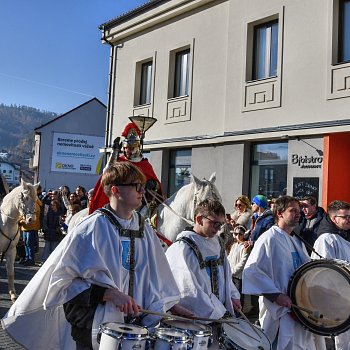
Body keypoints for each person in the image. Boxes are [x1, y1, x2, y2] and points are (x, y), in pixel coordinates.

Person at [2, 162, 188, 350]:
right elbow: (62, 285)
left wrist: (171, 305)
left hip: (136, 329)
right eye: (136, 186)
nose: (142, 191)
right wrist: (109, 294)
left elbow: (157, 276)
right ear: (116, 190)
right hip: (93, 327)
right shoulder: (91, 229)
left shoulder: (144, 228)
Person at [243, 195, 326, 349]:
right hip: (279, 311)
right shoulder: (269, 238)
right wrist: (275, 295)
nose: (298, 213)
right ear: (279, 213)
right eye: (292, 210)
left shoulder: (296, 239)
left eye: (299, 210)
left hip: (298, 311)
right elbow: (252, 271)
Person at [166, 198, 241, 320]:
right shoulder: (182, 248)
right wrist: (215, 312)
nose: (218, 229)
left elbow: (225, 274)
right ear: (199, 219)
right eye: (215, 223)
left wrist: (232, 295)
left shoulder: (218, 243)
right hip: (199, 317)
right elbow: (188, 289)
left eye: (221, 224)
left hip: (220, 314)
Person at [89, 122, 163, 216]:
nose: (128, 150)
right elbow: (107, 174)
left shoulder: (145, 164)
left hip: (140, 199)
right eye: (126, 148)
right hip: (120, 198)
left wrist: (153, 184)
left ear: (138, 148)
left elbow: (157, 185)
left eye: (131, 148)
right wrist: (114, 152)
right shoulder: (119, 161)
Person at [312, 200, 350, 350]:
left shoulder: (344, 235)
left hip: (346, 294)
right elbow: (324, 270)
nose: (349, 219)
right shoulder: (326, 239)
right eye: (345, 216)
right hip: (339, 297)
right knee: (343, 339)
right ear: (334, 219)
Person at [227, 225, 251, 313]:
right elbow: (229, 258)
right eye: (235, 234)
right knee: (231, 295)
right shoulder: (234, 245)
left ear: (244, 235)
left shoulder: (245, 246)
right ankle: (232, 312)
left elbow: (243, 262)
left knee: (238, 296)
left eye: (240, 234)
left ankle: (239, 313)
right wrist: (228, 270)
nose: (237, 236)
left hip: (238, 276)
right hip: (231, 274)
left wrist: (233, 271)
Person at [19, 194, 42, 266]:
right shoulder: (27, 204)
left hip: (32, 227)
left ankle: (31, 259)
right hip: (25, 227)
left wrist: (22, 221)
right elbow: (22, 215)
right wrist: (21, 220)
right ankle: (27, 258)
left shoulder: (35, 204)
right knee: (26, 243)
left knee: (29, 244)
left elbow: (33, 217)